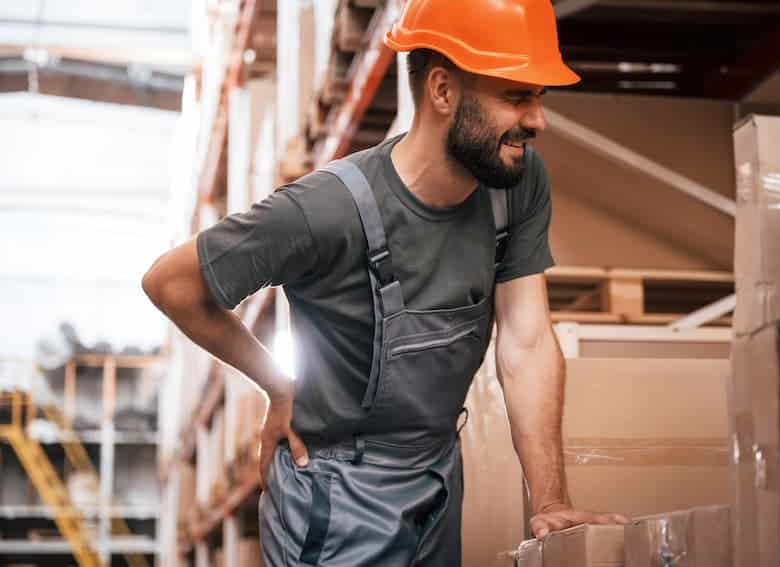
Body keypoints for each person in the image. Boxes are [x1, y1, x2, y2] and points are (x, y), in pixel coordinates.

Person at [143, 0, 628, 564]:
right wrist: (275, 383)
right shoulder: (326, 211)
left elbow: (526, 342)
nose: (537, 120)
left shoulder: (514, 183)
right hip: (333, 495)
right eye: (516, 95)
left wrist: (551, 501)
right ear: (443, 91)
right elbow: (170, 284)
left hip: (436, 478)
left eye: (539, 97)